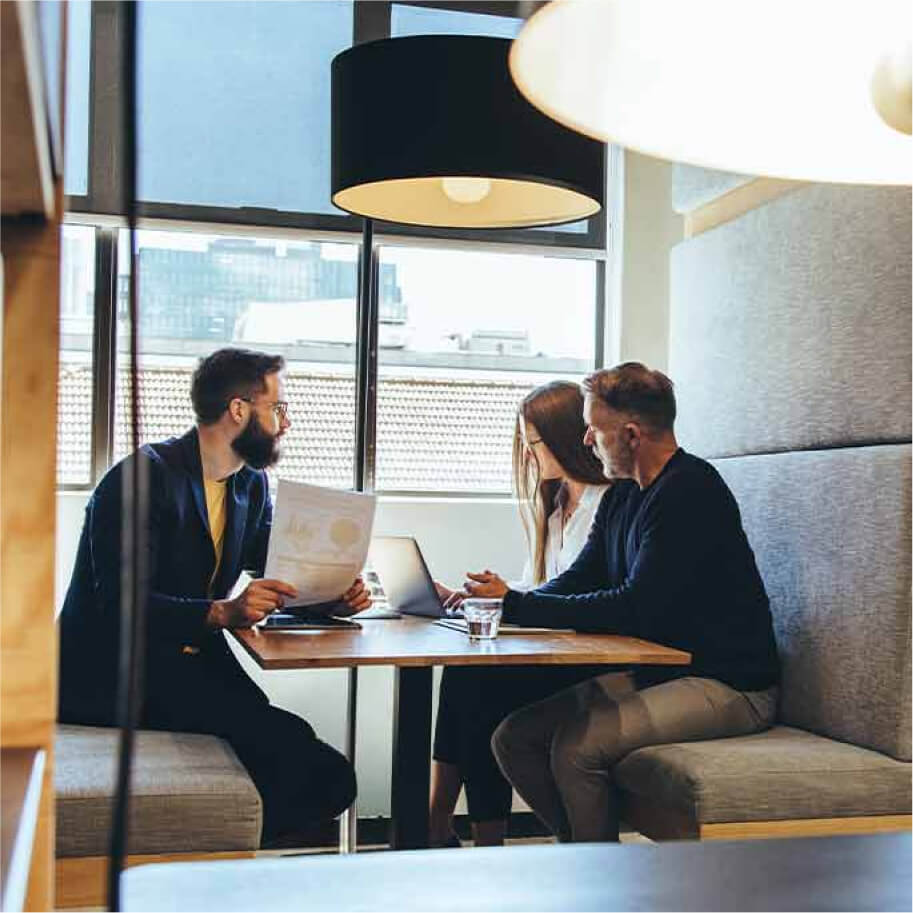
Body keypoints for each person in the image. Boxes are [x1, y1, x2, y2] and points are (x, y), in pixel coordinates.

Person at [58, 348, 370, 846]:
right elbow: (120, 606)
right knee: (317, 770)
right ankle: (207, 866)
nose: (285, 423)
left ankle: (216, 863)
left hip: (188, 664)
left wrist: (330, 598)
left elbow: (274, 570)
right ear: (240, 410)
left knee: (315, 768)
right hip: (114, 674)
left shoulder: (248, 483)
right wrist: (224, 611)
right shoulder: (142, 477)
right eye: (278, 408)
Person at [468, 362, 779, 843]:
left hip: (728, 684)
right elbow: (580, 578)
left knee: (574, 748)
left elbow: (635, 606)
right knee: (514, 739)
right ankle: (587, 859)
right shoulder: (622, 497)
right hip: (666, 673)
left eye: (594, 429)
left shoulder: (690, 490)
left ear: (631, 435)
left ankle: (602, 880)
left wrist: (518, 607)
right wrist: (505, 602)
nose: (587, 441)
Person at [429, 380, 611, 848]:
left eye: (535, 443)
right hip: (554, 645)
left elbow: (579, 596)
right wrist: (477, 597)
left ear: (568, 438)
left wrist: (509, 598)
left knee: (478, 682)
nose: (530, 456)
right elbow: (538, 588)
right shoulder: (553, 508)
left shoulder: (606, 504)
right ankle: (437, 825)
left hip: (589, 655)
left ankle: (465, 834)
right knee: (464, 672)